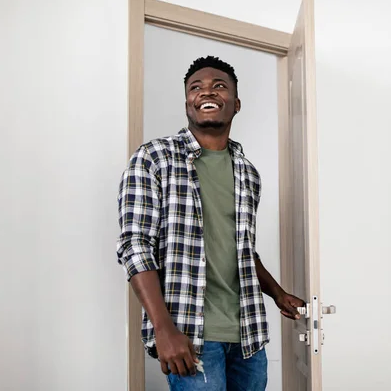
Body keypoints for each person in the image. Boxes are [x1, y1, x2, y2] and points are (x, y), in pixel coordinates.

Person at [117, 56, 304, 391]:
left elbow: (243, 249)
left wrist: (277, 294)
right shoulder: (154, 157)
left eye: (219, 86)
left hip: (248, 334)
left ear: (236, 103)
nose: (208, 92)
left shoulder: (249, 174)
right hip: (190, 333)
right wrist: (164, 328)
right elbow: (135, 246)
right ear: (187, 102)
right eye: (196, 87)